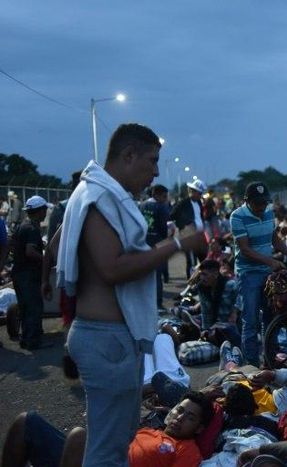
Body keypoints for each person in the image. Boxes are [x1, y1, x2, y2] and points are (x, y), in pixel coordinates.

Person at [56, 123, 205, 466]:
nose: (155, 172)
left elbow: (57, 246)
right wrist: (177, 244)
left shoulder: (90, 193)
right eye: (152, 161)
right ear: (128, 155)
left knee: (116, 442)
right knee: (108, 452)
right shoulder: (102, 196)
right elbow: (112, 267)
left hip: (106, 336)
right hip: (105, 338)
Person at [1, 392, 213, 467]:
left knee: (78, 436)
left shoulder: (187, 450)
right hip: (96, 459)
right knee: (26, 422)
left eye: (190, 417)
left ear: (198, 428)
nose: (179, 418)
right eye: (179, 410)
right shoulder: (150, 430)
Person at [231, 181, 287, 366]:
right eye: (258, 204)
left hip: (267, 273)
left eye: (264, 203)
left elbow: (274, 240)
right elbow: (245, 249)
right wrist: (270, 261)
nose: (262, 207)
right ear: (247, 201)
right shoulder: (237, 216)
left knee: (272, 318)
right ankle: (251, 364)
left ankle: (270, 359)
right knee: (251, 320)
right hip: (248, 273)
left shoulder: (269, 212)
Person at [11, 195, 49, 349]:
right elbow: (30, 252)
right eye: (44, 210)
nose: (46, 212)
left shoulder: (21, 226)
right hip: (28, 274)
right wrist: (46, 260)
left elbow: (12, 245)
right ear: (39, 211)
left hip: (18, 272)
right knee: (34, 307)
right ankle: (33, 341)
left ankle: (25, 339)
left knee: (25, 308)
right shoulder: (32, 229)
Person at [141, 184, 171, 309]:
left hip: (143, 243)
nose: (165, 199)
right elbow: (164, 228)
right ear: (156, 194)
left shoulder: (141, 205)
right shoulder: (161, 207)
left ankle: (145, 302)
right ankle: (158, 302)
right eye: (164, 196)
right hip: (158, 243)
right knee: (157, 275)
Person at [170, 178, 207, 279]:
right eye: (199, 193)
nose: (200, 195)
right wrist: (184, 226)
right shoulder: (183, 203)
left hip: (200, 236)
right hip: (189, 236)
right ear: (192, 191)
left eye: (201, 193)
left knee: (204, 259)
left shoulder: (199, 203)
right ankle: (191, 284)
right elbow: (172, 215)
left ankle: (201, 281)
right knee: (191, 261)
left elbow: (199, 217)